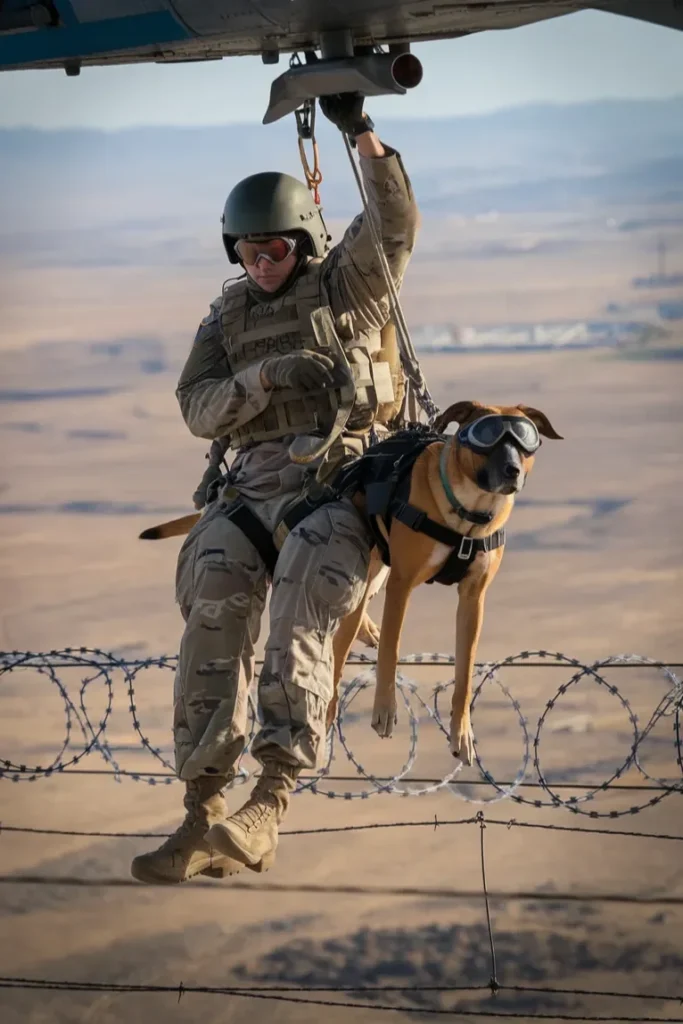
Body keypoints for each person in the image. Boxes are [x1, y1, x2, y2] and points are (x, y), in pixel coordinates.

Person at [131, 93, 419, 885]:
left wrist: (359, 133)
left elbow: (392, 224)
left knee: (298, 609)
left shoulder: (346, 288)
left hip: (335, 486)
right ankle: (201, 809)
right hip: (248, 488)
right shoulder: (225, 319)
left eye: (277, 251)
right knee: (211, 606)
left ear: (303, 242)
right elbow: (197, 407)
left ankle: (271, 802)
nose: (263, 265)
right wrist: (259, 378)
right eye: (251, 253)